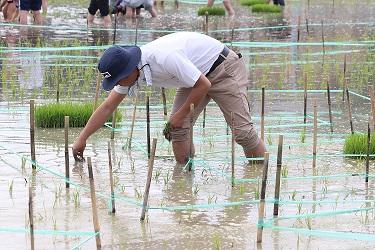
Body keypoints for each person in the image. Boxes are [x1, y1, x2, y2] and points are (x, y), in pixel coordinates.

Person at [72, 32, 265, 164]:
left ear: (130, 69)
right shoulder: (129, 76)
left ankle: (259, 176)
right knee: (178, 130)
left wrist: (177, 117)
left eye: (118, 80)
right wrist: (82, 138)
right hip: (195, 77)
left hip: (222, 69)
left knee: (243, 133)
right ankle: (184, 180)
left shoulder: (164, 57)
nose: (117, 85)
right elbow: (107, 107)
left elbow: (204, 85)